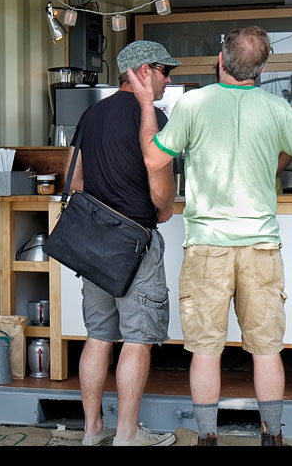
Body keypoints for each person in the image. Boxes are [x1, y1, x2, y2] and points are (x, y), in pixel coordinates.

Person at [128, 26, 292, 446]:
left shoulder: (193, 104)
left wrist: (148, 103)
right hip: (260, 247)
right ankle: (272, 436)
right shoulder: (277, 109)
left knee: (205, 349)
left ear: (221, 60)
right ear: (261, 69)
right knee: (266, 348)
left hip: (206, 249)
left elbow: (153, 157)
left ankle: (207, 439)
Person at [64, 40, 180, 447]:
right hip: (135, 242)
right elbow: (162, 192)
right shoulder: (154, 120)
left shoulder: (92, 114)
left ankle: (93, 431)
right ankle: (128, 435)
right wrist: (161, 211)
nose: (169, 79)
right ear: (145, 70)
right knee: (137, 337)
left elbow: (74, 178)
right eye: (166, 71)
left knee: (98, 335)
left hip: (94, 242)